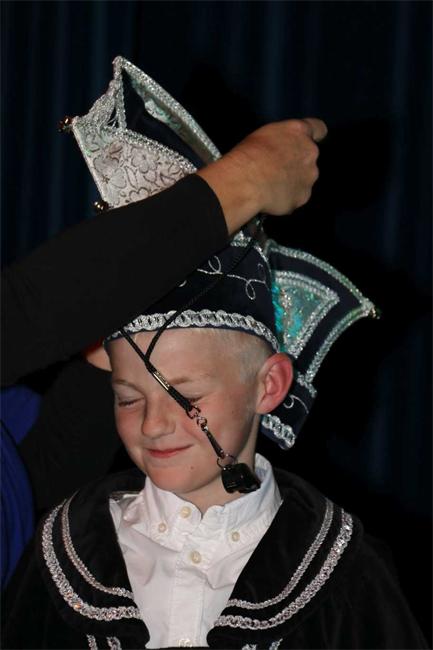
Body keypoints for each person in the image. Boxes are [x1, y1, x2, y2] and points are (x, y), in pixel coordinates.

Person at [2, 57, 427, 650]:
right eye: (128, 398)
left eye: (186, 395)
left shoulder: (344, 568)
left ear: (270, 386)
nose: (153, 424)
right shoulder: (63, 554)